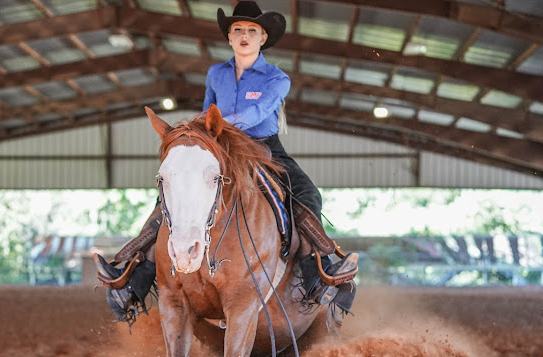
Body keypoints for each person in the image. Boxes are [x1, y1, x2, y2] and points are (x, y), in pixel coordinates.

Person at [97, 1, 357, 324]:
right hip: (219, 145)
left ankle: (318, 272)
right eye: (238, 30)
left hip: (263, 148)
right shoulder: (215, 73)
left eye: (251, 31)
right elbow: (208, 111)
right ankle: (136, 277)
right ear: (230, 38)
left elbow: (259, 114)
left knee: (307, 193)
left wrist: (221, 123)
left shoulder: (277, 79)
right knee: (171, 195)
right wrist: (203, 130)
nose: (244, 35)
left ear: (263, 38)